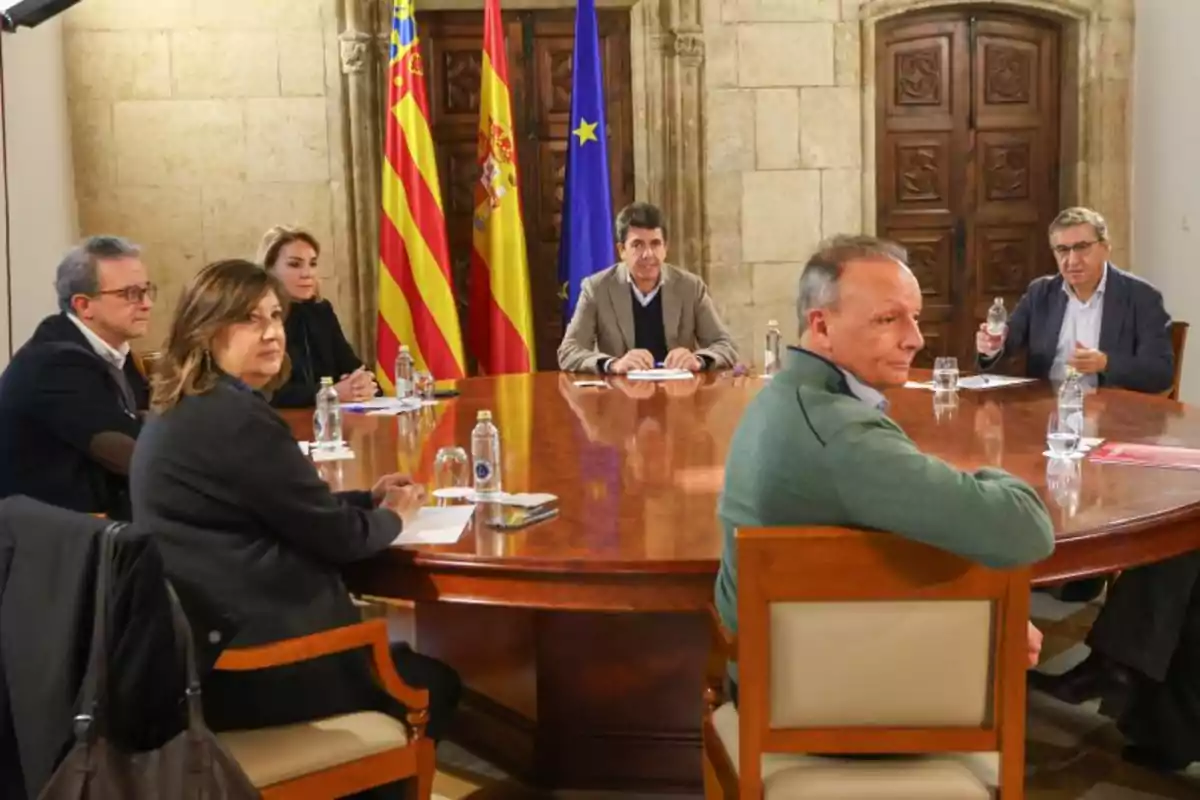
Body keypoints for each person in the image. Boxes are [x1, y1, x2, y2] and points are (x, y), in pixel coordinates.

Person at [129, 260, 461, 773]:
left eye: (276, 317)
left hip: (203, 653)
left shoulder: (189, 404)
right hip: (261, 668)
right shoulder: (237, 419)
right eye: (250, 320)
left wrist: (364, 500)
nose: (272, 334)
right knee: (434, 683)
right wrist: (393, 516)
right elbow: (338, 540)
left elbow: (279, 509)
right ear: (205, 330)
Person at [714, 235, 1054, 701]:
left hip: (773, 671)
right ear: (822, 326)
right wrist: (985, 620)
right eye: (888, 319)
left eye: (914, 317)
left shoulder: (783, 396)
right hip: (826, 704)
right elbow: (1026, 529)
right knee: (1004, 628)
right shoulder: (843, 436)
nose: (915, 338)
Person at [0, 235, 154, 519]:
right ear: (84, 305)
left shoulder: (117, 352)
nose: (146, 304)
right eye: (131, 293)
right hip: (47, 543)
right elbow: (130, 453)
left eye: (147, 290)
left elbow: (153, 424)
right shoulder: (52, 364)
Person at [976, 206, 1174, 394]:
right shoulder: (1041, 293)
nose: (1072, 260)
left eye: (1082, 247)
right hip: (1045, 412)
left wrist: (1106, 363)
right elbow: (1006, 344)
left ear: (1105, 248)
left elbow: (1160, 373)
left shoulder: (1142, 297)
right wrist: (992, 347)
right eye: (1062, 249)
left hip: (1112, 417)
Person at [557, 202, 739, 373]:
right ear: (622, 250)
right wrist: (613, 364)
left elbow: (725, 345)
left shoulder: (690, 287)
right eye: (637, 245)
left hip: (679, 395)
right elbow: (568, 351)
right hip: (620, 396)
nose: (648, 254)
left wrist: (698, 360)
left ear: (665, 248)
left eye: (655, 244)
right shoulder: (597, 288)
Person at [258, 225, 377, 407]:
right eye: (294, 264)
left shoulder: (321, 311)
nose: (307, 274)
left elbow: (351, 365)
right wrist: (332, 392)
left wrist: (362, 383)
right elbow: (265, 392)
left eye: (312, 264)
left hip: (328, 422)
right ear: (269, 269)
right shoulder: (258, 317)